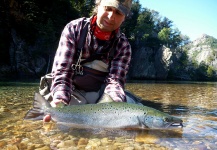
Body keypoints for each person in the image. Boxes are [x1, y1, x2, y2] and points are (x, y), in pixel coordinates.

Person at [43, 0, 132, 122]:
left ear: (124, 18)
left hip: (100, 94)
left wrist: (115, 107)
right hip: (71, 90)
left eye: (118, 12)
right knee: (61, 118)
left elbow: (115, 82)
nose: (111, 16)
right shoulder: (74, 29)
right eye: (108, 8)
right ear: (98, 5)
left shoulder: (123, 45)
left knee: (131, 108)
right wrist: (60, 101)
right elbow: (62, 73)